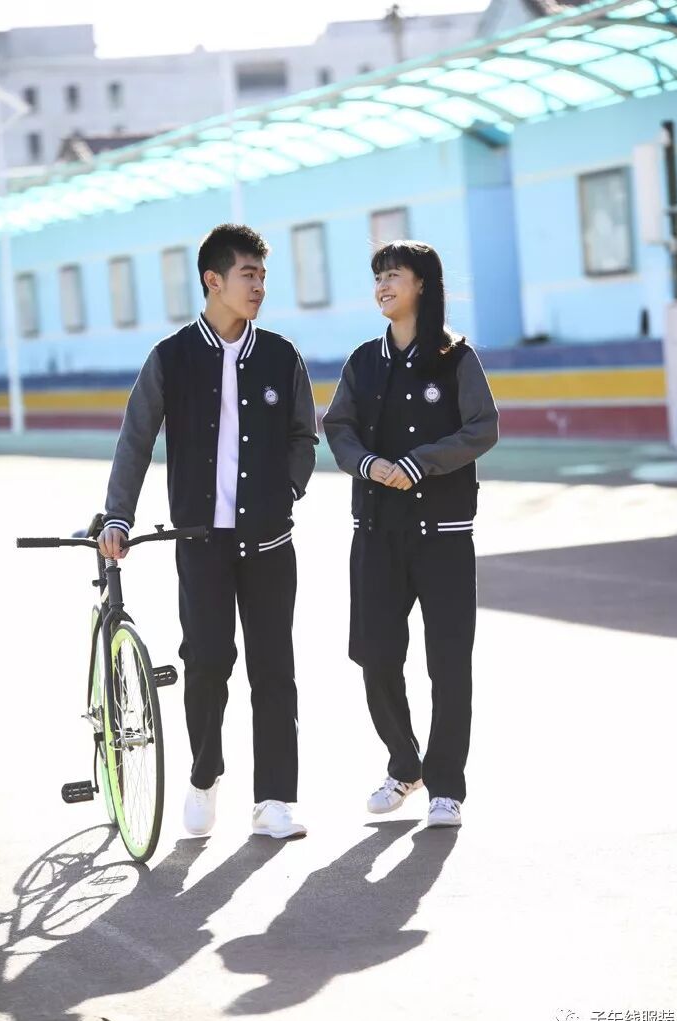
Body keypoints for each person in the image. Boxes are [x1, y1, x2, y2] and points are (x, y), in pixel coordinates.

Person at [98, 223, 318, 840]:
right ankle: (204, 775)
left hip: (270, 543)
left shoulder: (280, 355)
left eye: (264, 276)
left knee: (274, 667)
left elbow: (304, 435)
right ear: (213, 280)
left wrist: (286, 490)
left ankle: (275, 799)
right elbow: (136, 439)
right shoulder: (171, 358)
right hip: (201, 544)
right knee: (206, 663)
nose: (259, 286)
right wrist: (117, 515)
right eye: (249, 275)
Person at [323, 240, 498, 828]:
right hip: (376, 532)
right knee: (374, 655)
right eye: (377, 277)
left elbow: (483, 428)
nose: (382, 286)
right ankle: (404, 765)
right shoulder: (363, 361)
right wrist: (367, 464)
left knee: (448, 664)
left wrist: (421, 463)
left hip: (443, 534)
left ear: (422, 283)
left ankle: (446, 786)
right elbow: (338, 426)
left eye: (393, 275)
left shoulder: (456, 359)